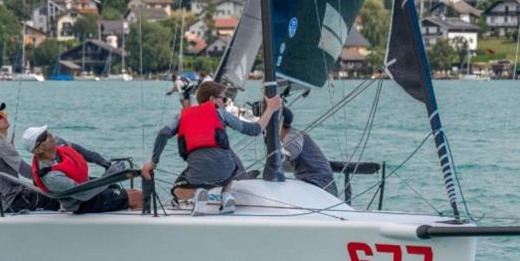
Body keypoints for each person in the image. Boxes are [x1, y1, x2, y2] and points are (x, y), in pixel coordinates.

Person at [141, 81, 281, 213]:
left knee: (176, 190)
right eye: (224, 99)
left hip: (196, 176)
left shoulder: (182, 116)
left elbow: (163, 133)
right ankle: (225, 195)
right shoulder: (221, 114)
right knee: (232, 162)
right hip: (225, 172)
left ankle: (198, 193)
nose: (226, 103)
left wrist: (154, 161)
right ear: (212, 99)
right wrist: (270, 109)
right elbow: (255, 130)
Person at [0, 102, 109, 214]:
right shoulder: (1, 144)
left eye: (4, 114)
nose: (4, 117)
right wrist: (54, 174)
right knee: (66, 196)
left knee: (63, 187)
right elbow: (28, 173)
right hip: (13, 201)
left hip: (5, 202)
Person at [22, 125, 142, 213]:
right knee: (138, 197)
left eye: (47, 132)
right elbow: (84, 194)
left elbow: (79, 150)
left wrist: (104, 163)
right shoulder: (51, 176)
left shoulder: (57, 144)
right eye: (44, 136)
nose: (50, 135)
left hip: (87, 185)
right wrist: (110, 176)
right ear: (38, 150)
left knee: (122, 189)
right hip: (81, 204)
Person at [280, 107, 338, 195]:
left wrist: (280, 155)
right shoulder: (288, 137)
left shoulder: (294, 135)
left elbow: (291, 151)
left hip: (320, 184)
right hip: (312, 182)